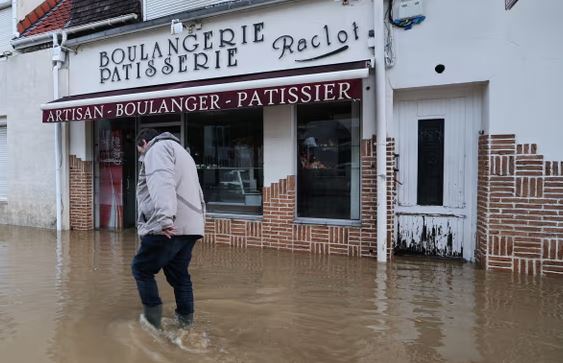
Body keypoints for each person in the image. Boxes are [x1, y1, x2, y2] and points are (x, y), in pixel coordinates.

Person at [131, 128, 206, 330]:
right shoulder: (183, 153)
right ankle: (186, 326)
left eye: (141, 152)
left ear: (144, 143)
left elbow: (161, 182)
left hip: (170, 226)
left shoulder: (156, 149)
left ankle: (152, 324)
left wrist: (164, 220)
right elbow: (197, 191)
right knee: (179, 275)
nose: (142, 157)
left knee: (141, 268)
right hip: (190, 225)